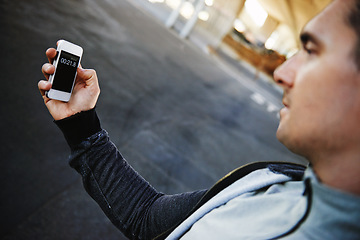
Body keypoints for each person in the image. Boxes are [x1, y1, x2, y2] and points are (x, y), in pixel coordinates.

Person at [38, 0, 360, 239]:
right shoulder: (272, 182)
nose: (281, 72)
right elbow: (147, 217)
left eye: (312, 51)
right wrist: (80, 124)